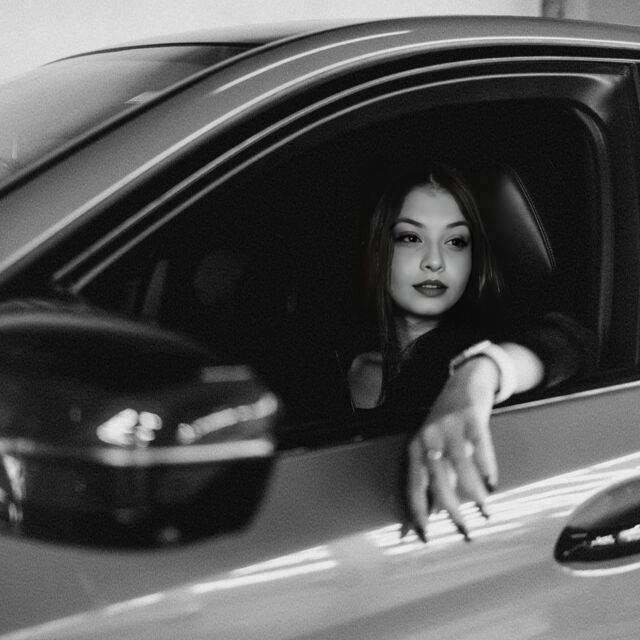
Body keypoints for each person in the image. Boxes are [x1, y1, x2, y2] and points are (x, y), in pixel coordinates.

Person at [348, 163, 591, 543]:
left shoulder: (475, 355)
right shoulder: (344, 366)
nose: (434, 260)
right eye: (411, 238)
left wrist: (482, 372)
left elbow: (571, 342)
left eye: (455, 242)